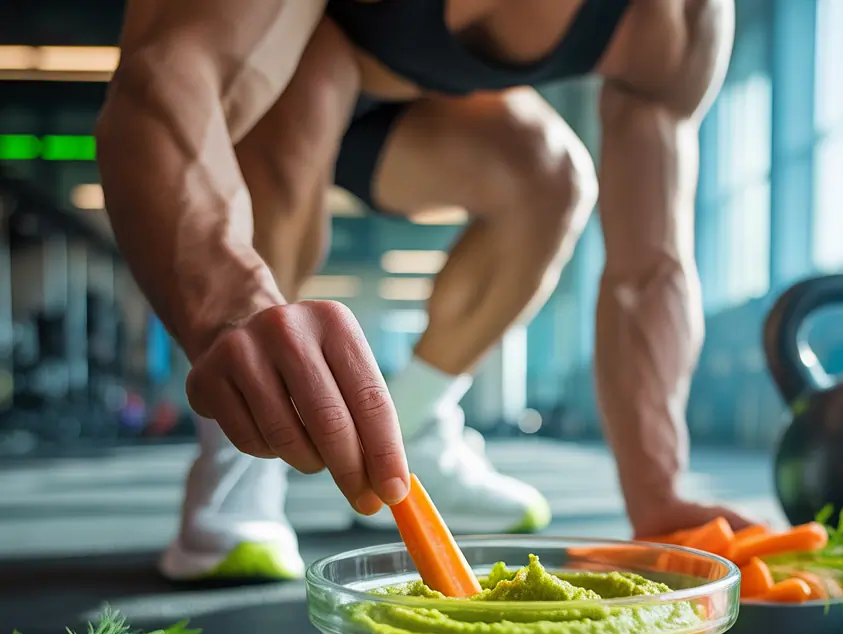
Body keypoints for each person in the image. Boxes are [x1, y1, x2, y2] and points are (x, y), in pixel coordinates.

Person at [96, 0, 753, 581]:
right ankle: (240, 459)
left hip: (418, 113)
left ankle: (410, 426)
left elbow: (650, 269)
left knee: (551, 179)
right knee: (313, 82)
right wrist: (232, 306)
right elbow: (164, 89)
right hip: (279, 72)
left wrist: (658, 494)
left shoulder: (678, 18)